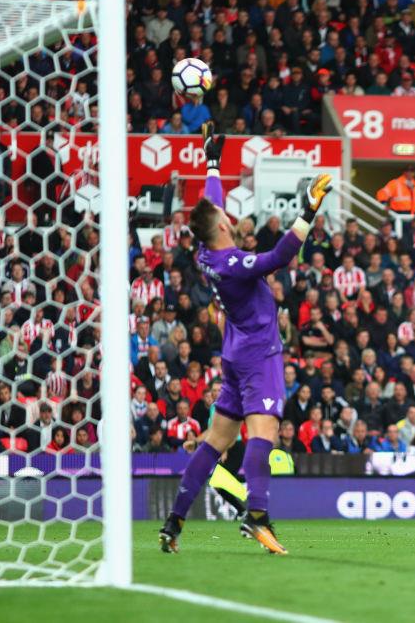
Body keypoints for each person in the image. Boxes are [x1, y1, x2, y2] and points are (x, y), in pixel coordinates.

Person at [159, 123, 332, 555]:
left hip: (235, 352)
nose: (228, 215)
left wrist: (212, 162)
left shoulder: (206, 252)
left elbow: (209, 204)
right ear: (220, 229)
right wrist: (307, 212)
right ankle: (256, 515)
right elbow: (279, 256)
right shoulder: (234, 261)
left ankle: (174, 520)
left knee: (217, 440)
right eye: (224, 217)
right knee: (264, 433)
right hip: (259, 353)